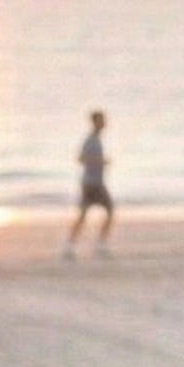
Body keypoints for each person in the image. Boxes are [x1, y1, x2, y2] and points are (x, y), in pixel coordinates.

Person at [64, 109, 113, 258]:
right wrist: (100, 162)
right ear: (96, 122)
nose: (105, 123)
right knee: (107, 210)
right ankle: (98, 244)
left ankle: (72, 244)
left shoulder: (97, 139)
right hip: (92, 184)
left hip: (94, 182)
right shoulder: (91, 140)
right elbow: (81, 159)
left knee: (87, 214)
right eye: (102, 120)